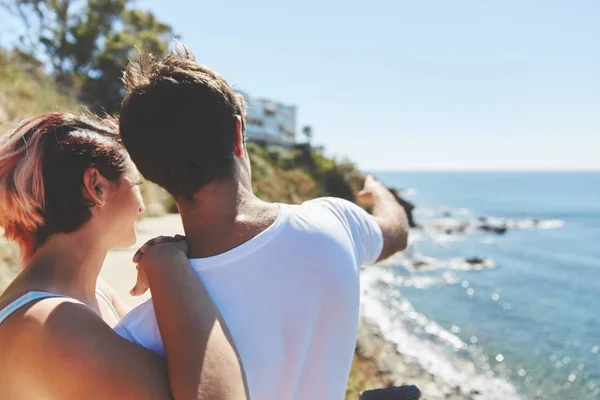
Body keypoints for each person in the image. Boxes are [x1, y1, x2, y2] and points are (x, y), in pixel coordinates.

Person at [115, 46, 409, 399]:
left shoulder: (140, 336)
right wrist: (379, 191)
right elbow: (396, 231)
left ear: (150, 171)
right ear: (238, 135)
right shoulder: (335, 223)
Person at [0, 112, 247, 399]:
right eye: (136, 185)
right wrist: (167, 263)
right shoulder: (49, 323)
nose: (142, 207)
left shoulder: (94, 291)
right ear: (96, 187)